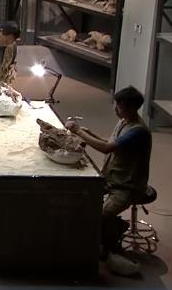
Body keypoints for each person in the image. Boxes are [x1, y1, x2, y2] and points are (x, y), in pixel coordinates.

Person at [65, 86, 152, 277]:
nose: (115, 110)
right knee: (81, 194)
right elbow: (111, 143)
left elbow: (106, 148)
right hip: (111, 178)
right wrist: (90, 134)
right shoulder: (124, 122)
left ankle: (112, 241)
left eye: (119, 107)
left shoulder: (138, 131)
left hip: (127, 186)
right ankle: (100, 237)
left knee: (102, 215)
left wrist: (79, 131)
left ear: (131, 108)